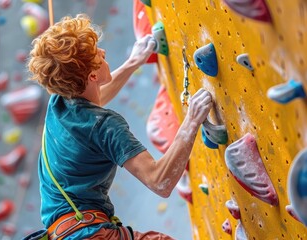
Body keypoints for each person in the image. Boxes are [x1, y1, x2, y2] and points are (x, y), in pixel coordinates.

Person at [27, 14, 212, 240]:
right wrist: (191, 121)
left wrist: (134, 62)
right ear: (93, 74)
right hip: (90, 234)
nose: (103, 53)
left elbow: (95, 98)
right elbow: (159, 181)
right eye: (98, 53)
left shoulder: (59, 105)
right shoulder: (105, 126)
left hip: (65, 232)